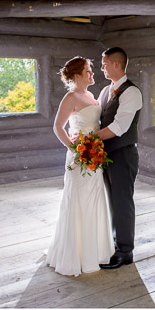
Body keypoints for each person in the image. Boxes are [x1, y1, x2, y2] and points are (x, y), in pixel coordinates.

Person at [45, 56, 115, 276]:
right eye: (88, 71)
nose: (92, 74)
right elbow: (58, 127)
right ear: (76, 76)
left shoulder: (91, 95)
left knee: (94, 200)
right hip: (80, 158)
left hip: (95, 156)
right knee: (79, 201)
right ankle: (75, 255)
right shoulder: (71, 97)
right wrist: (74, 148)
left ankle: (93, 252)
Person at [95, 47, 143, 270]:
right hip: (107, 155)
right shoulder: (106, 91)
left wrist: (90, 137)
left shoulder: (131, 92)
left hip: (123, 154)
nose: (102, 67)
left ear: (116, 64)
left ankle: (125, 252)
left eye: (104, 63)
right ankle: (115, 245)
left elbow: (119, 127)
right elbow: (100, 119)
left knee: (123, 203)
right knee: (112, 202)